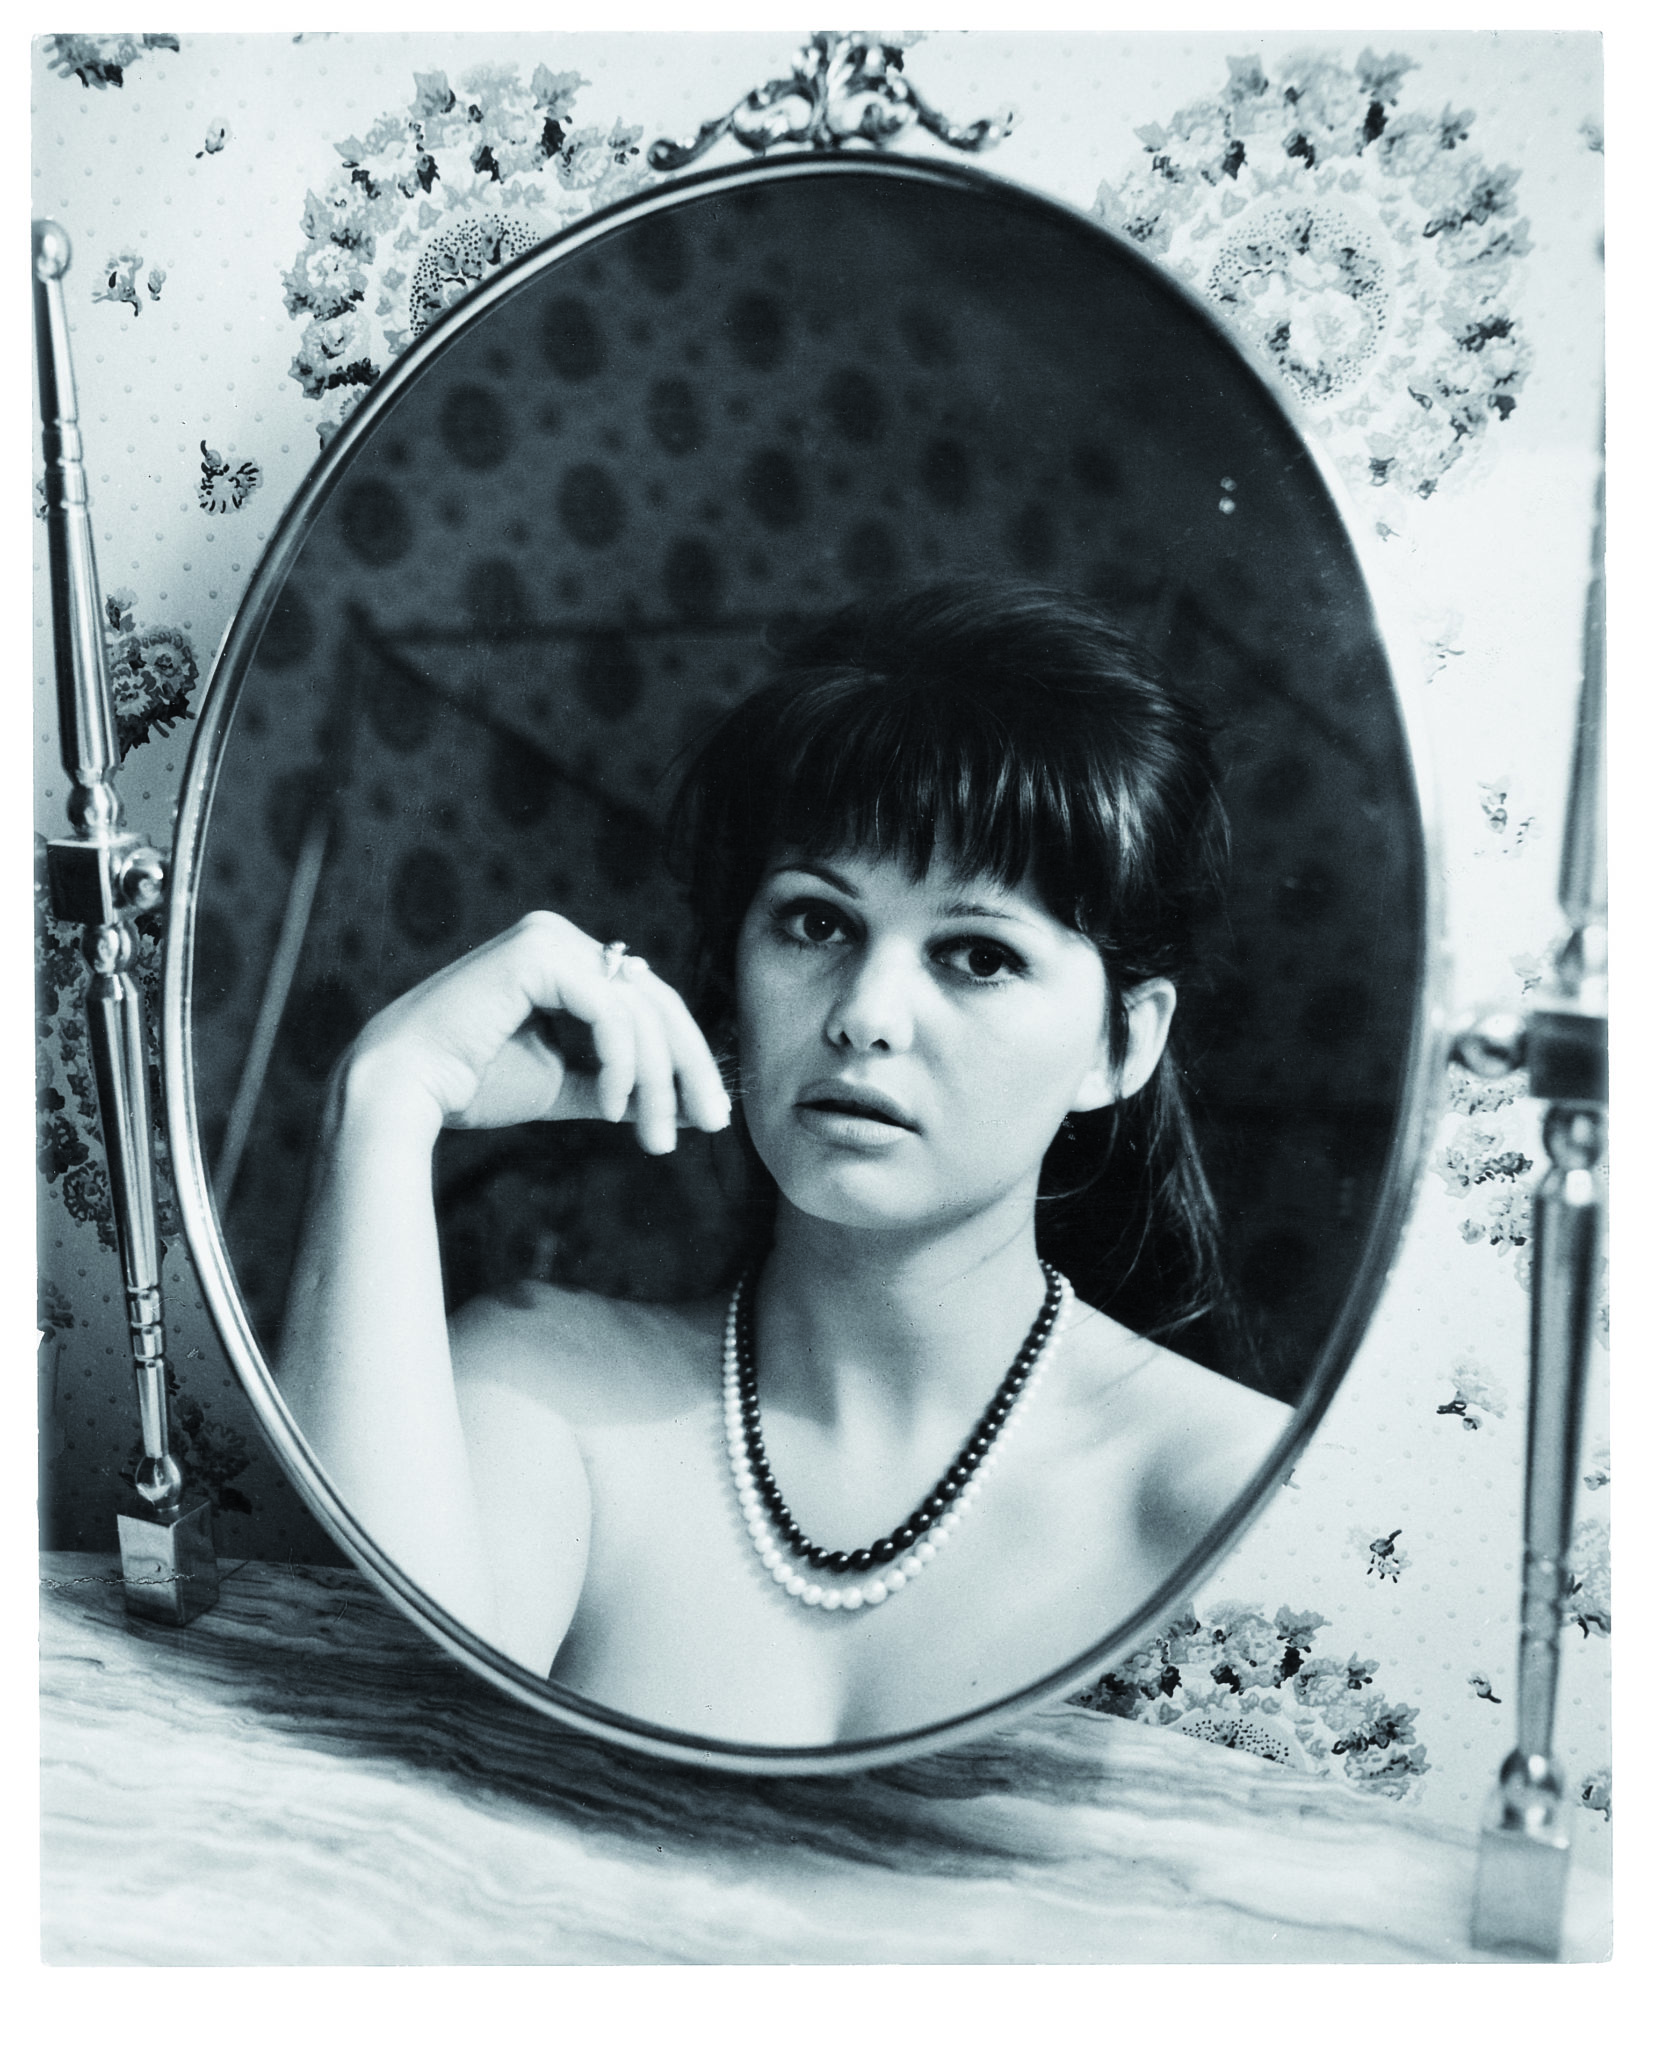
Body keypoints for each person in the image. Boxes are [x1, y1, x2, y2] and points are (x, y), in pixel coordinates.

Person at [277, 584, 1289, 1746]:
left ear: (1122, 1042)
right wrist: (386, 1100)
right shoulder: (541, 1392)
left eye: (975, 954)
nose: (864, 1013)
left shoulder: (1227, 1493)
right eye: (816, 922)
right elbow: (349, 1767)